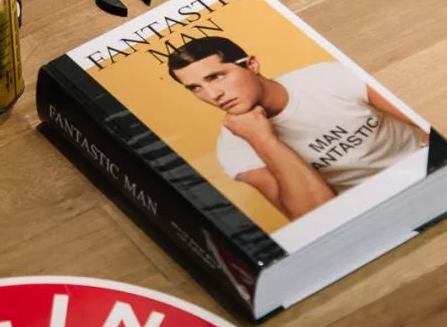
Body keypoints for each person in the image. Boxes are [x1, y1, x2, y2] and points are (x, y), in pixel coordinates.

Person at [168, 37, 428, 220]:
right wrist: (263, 140)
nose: (213, 95)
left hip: (427, 163)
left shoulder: (327, 76)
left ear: (251, 65)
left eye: (216, 76)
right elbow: (318, 218)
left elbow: (426, 121)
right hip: (371, 210)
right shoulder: (234, 148)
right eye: (196, 88)